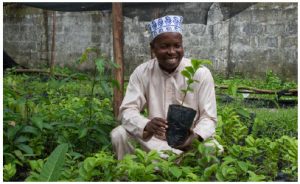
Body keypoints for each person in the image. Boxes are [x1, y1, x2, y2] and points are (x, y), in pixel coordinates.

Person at [110, 15, 223, 160]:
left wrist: (195, 137)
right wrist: (146, 125)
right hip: (153, 142)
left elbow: (209, 117)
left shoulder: (200, 73)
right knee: (119, 134)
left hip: (189, 142)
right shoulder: (142, 72)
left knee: (212, 148)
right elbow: (127, 110)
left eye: (177, 45)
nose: (172, 51)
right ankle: (129, 178)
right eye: (164, 46)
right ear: (153, 48)